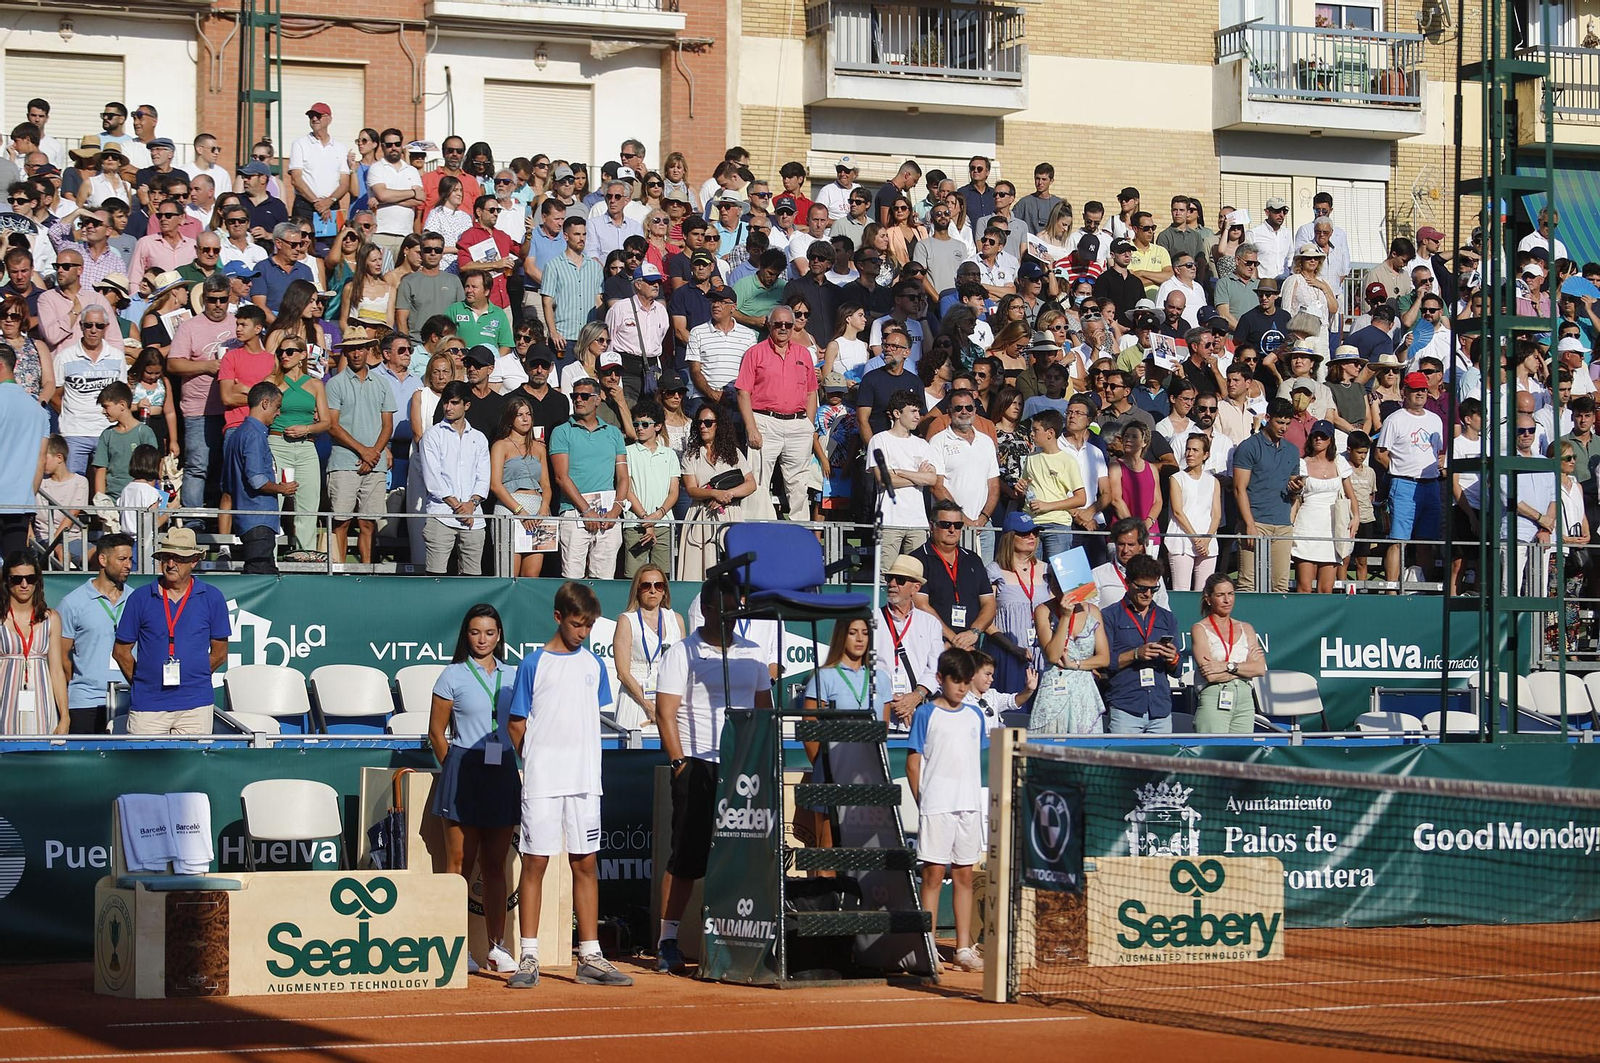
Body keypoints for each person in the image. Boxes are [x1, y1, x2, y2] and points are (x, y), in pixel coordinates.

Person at [506, 581, 634, 989]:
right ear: (558, 617)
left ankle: (591, 956)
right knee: (535, 863)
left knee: (585, 864)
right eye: (578, 624)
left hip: (584, 782)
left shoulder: (594, 666)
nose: (583, 632)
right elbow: (515, 722)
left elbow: (590, 716)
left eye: (589, 626)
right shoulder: (532, 664)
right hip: (543, 782)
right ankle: (529, 956)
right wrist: (539, 760)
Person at [653, 575, 773, 974]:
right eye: (722, 607)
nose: (730, 616)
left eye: (735, 608)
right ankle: (667, 941)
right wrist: (679, 764)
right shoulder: (682, 652)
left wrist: (756, 763)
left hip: (741, 769)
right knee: (686, 858)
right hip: (697, 764)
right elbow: (664, 712)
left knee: (740, 858)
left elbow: (762, 713)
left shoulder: (754, 653)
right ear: (705, 608)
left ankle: (736, 941)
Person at [428, 603, 521, 977]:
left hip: (502, 774)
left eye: (489, 632)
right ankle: (457, 947)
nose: (482, 639)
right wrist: (455, 766)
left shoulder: (514, 675)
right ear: (465, 635)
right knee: (458, 865)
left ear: (499, 636)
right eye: (475, 632)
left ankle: (497, 948)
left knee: (496, 866)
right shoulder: (451, 675)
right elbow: (437, 733)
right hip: (464, 770)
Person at [907, 646, 985, 973]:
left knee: (965, 875)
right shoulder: (926, 714)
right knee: (934, 875)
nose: (962, 688)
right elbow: (913, 765)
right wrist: (924, 802)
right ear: (940, 679)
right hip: (936, 807)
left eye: (966, 681)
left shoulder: (975, 715)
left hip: (968, 807)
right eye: (956, 681)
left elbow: (973, 760)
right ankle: (927, 945)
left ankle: (963, 949)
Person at [112, 527, 229, 736]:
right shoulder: (140, 598)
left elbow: (220, 653)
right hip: (148, 705)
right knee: (145, 768)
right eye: (166, 557)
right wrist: (144, 682)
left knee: (193, 767)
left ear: (194, 561)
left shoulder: (212, 597)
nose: (171, 563)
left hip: (196, 706)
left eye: (179, 558)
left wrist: (194, 677)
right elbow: (121, 652)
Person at [736, 303, 818, 520]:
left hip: (798, 423)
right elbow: (743, 392)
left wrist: (808, 425)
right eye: (778, 324)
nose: (783, 328)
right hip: (764, 421)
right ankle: (758, 530)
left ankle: (800, 533)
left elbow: (811, 393)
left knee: (799, 483)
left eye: (788, 325)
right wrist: (751, 427)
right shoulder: (754, 353)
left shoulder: (804, 354)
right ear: (769, 325)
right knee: (759, 480)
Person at [326, 327, 396, 565]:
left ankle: (366, 571)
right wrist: (366, 452)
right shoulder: (334, 384)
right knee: (341, 521)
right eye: (351, 348)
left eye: (360, 347)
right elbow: (332, 425)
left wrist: (372, 454)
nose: (356, 353)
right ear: (345, 351)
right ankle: (339, 570)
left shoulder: (382, 384)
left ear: (368, 350)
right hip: (344, 462)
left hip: (373, 463)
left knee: (368, 522)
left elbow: (388, 424)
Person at [549, 376, 631, 579]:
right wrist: (586, 511)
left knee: (604, 580)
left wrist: (616, 510)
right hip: (574, 513)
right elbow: (561, 477)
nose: (578, 400)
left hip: (608, 515)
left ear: (598, 399)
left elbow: (623, 476)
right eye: (574, 396)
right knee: (573, 580)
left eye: (584, 396)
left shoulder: (613, 433)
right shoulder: (561, 431)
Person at [53, 533, 134, 733]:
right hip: (85, 701)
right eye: (122, 559)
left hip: (129, 698)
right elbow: (61, 656)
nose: (128, 565)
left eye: (130, 559)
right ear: (102, 560)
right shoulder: (73, 603)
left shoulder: (137, 600)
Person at [1376, 371, 1446, 589]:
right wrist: (1398, 470)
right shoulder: (1395, 419)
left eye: (1423, 389)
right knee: (1398, 540)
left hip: (1431, 484)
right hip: (1404, 483)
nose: (1420, 393)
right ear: (1405, 392)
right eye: (1415, 389)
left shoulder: (1435, 420)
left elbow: (1437, 452)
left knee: (1426, 542)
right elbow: (1380, 453)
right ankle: (1390, 590)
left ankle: (1422, 589)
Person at [676, 402, 756, 581]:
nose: (703, 426)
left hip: (730, 514)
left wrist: (728, 495)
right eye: (700, 423)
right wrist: (714, 494)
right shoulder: (691, 455)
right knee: (697, 571)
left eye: (708, 422)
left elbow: (751, 484)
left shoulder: (733, 453)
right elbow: (691, 490)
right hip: (701, 515)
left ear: (719, 425)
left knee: (733, 570)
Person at [223, 382, 298, 574]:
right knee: (259, 575)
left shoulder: (237, 435)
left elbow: (229, 485)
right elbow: (257, 480)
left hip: (248, 519)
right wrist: (283, 489)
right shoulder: (254, 435)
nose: (279, 413)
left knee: (262, 573)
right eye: (277, 407)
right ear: (265, 403)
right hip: (259, 519)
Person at [1102, 553, 1180, 735]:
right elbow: (1104, 663)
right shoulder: (1109, 616)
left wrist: (1172, 658)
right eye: (1142, 588)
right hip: (1126, 707)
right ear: (1127, 583)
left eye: (1154, 589)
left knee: (1160, 763)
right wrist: (1136, 654)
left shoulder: (1166, 617)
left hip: (1160, 709)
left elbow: (1177, 670)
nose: (1148, 594)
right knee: (1124, 763)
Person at [868, 389, 944, 570]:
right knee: (885, 575)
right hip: (889, 521)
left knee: (916, 575)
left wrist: (899, 471)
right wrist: (918, 477)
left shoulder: (922, 444)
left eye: (919, 411)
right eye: (913, 411)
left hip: (918, 522)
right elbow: (884, 480)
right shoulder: (879, 440)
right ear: (896, 413)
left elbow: (933, 479)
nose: (918, 416)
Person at [1234, 398, 1301, 593]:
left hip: (1282, 523)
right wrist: (1249, 524)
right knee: (1248, 584)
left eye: (1288, 423)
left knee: (1280, 586)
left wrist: (1296, 488)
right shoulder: (1249, 447)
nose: (1284, 428)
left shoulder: (1292, 451)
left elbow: (1293, 486)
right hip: (1255, 520)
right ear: (1268, 418)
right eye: (1280, 422)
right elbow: (1239, 488)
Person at [1029, 570, 1108, 735]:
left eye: (1061, 580)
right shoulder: (1043, 610)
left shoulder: (1092, 611)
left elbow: (1104, 658)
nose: (1056, 585)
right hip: (1054, 690)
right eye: (1051, 579)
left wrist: (1076, 664)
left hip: (1084, 692)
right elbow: (1053, 655)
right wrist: (1065, 617)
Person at [911, 499, 996, 651]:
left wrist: (973, 632)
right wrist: (953, 639)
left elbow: (989, 603)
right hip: (933, 646)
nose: (952, 529)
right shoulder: (918, 559)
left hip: (970, 647)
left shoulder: (973, 560)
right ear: (932, 526)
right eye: (945, 524)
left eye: (958, 525)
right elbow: (921, 605)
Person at [1, 550, 68, 734]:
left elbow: (56, 671)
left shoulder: (51, 618)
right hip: (5, 702)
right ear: (7, 581)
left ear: (37, 581)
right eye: (17, 579)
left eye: (30, 579)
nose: (24, 584)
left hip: (42, 702)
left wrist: (65, 716)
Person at [611, 566, 686, 732]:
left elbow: (684, 667)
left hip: (669, 700)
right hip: (635, 700)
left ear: (664, 591)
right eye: (646, 586)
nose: (653, 591)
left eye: (658, 586)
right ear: (638, 590)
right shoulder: (627, 621)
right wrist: (648, 706)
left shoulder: (676, 619)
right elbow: (622, 673)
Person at [1189, 574, 1267, 734]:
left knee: (1241, 754)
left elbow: (1259, 669)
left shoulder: (1246, 628)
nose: (1227, 600)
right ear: (1208, 599)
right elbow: (1210, 675)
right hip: (1214, 695)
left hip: (1245, 699)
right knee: (1212, 753)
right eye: (1220, 595)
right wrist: (1244, 670)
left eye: (1231, 594)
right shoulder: (1200, 629)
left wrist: (1226, 666)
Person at [487, 396, 553, 579]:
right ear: (510, 419)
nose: (525, 419)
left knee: (532, 575)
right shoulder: (500, 445)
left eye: (528, 414)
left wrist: (544, 507)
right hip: (510, 509)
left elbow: (546, 484)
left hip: (538, 511)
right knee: (509, 573)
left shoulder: (539, 448)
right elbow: (495, 484)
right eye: (519, 415)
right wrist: (519, 511)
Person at [874, 555, 942, 732]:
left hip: (918, 712)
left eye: (900, 580)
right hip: (880, 710)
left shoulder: (930, 623)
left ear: (915, 588)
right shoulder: (871, 619)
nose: (892, 584)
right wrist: (892, 699)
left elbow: (936, 667)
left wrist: (916, 695)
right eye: (890, 578)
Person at [1291, 420, 1359, 594]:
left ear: (1331, 440)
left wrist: (1356, 517)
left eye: (1323, 436)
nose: (1319, 439)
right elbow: (1295, 499)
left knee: (1326, 588)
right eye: (1315, 435)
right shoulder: (1301, 463)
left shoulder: (1340, 463)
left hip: (1333, 527)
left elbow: (1351, 495)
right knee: (1304, 586)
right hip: (1307, 526)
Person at [621, 399, 680, 575]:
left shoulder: (669, 455)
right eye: (636, 424)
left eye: (645, 424)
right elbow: (627, 490)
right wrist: (646, 519)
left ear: (658, 426)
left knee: (662, 577)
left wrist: (657, 515)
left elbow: (674, 492)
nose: (639, 428)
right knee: (634, 578)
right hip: (635, 524)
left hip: (664, 524)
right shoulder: (628, 452)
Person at [1167, 434, 1221, 591]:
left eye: (1195, 450)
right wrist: (1196, 539)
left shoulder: (1213, 481)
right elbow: (1178, 512)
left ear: (1206, 454)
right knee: (1181, 590)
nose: (1190, 454)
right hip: (1181, 542)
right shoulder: (1177, 478)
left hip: (1208, 543)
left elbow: (1216, 515)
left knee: (1204, 593)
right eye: (1188, 449)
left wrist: (1206, 539)